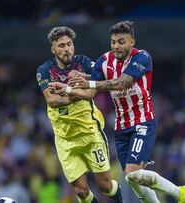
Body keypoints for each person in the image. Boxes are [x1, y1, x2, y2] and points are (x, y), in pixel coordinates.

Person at [50, 21, 185, 203]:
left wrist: (89, 82)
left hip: (142, 122)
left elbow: (122, 82)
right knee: (131, 177)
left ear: (132, 41)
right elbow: (90, 92)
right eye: (113, 42)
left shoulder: (142, 58)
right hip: (121, 128)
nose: (116, 46)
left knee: (133, 173)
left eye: (121, 41)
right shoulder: (104, 61)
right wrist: (69, 88)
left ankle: (181, 193)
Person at [36, 26, 123, 203]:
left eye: (69, 44)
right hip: (65, 139)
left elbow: (92, 93)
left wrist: (66, 90)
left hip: (90, 133)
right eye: (61, 45)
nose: (66, 48)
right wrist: (76, 92)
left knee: (105, 186)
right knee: (82, 192)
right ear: (53, 49)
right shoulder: (44, 71)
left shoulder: (84, 63)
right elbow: (51, 100)